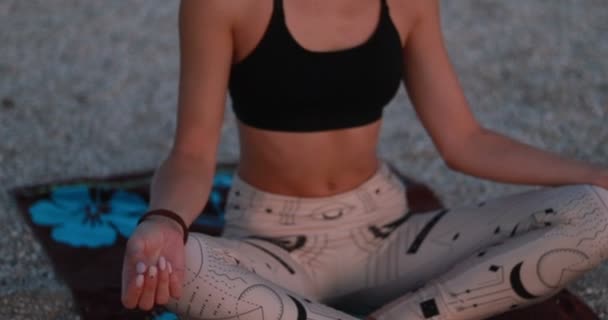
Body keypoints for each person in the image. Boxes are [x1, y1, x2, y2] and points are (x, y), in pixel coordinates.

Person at [121, 0, 608, 319]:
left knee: (596, 212)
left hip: (388, 239)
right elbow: (191, 151)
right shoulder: (221, 3)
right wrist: (163, 220)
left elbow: (464, 140)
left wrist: (594, 175)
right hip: (273, 248)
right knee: (174, 266)